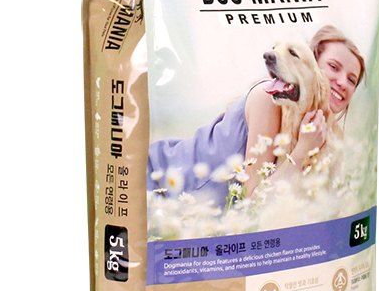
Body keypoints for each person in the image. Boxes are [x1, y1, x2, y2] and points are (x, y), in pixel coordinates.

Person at [147, 26, 365, 206]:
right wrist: (302, 150)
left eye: (352, 80)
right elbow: (254, 203)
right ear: (311, 64)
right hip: (157, 184)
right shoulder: (268, 99)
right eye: (333, 67)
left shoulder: (325, 135)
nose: (342, 82)